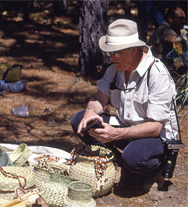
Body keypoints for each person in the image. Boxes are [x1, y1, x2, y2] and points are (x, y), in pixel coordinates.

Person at [71, 19, 178, 192]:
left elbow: (156, 127)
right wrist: (90, 112)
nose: (111, 58)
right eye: (109, 53)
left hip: (153, 135)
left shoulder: (157, 74)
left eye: (115, 53)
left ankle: (152, 169)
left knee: (134, 158)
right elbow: (100, 97)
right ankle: (120, 162)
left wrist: (116, 134)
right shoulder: (115, 69)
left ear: (133, 50)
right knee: (79, 120)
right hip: (125, 126)